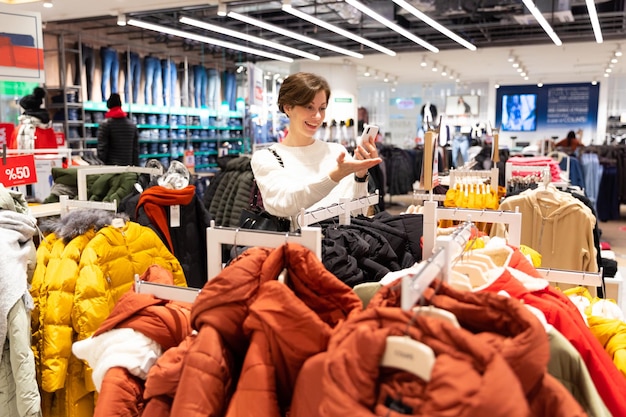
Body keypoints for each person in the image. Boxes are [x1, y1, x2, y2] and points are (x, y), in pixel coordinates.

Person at [251, 72, 381, 230]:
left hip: (341, 248)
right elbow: (284, 203)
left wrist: (360, 175)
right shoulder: (267, 158)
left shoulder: (336, 152)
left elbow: (356, 213)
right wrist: (334, 176)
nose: (318, 116)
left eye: (322, 108)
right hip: (299, 251)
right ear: (288, 107)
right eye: (309, 107)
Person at [97, 93, 139, 166]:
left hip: (111, 169)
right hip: (128, 168)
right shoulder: (132, 125)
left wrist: (100, 166)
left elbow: (102, 149)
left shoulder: (105, 125)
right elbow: (135, 150)